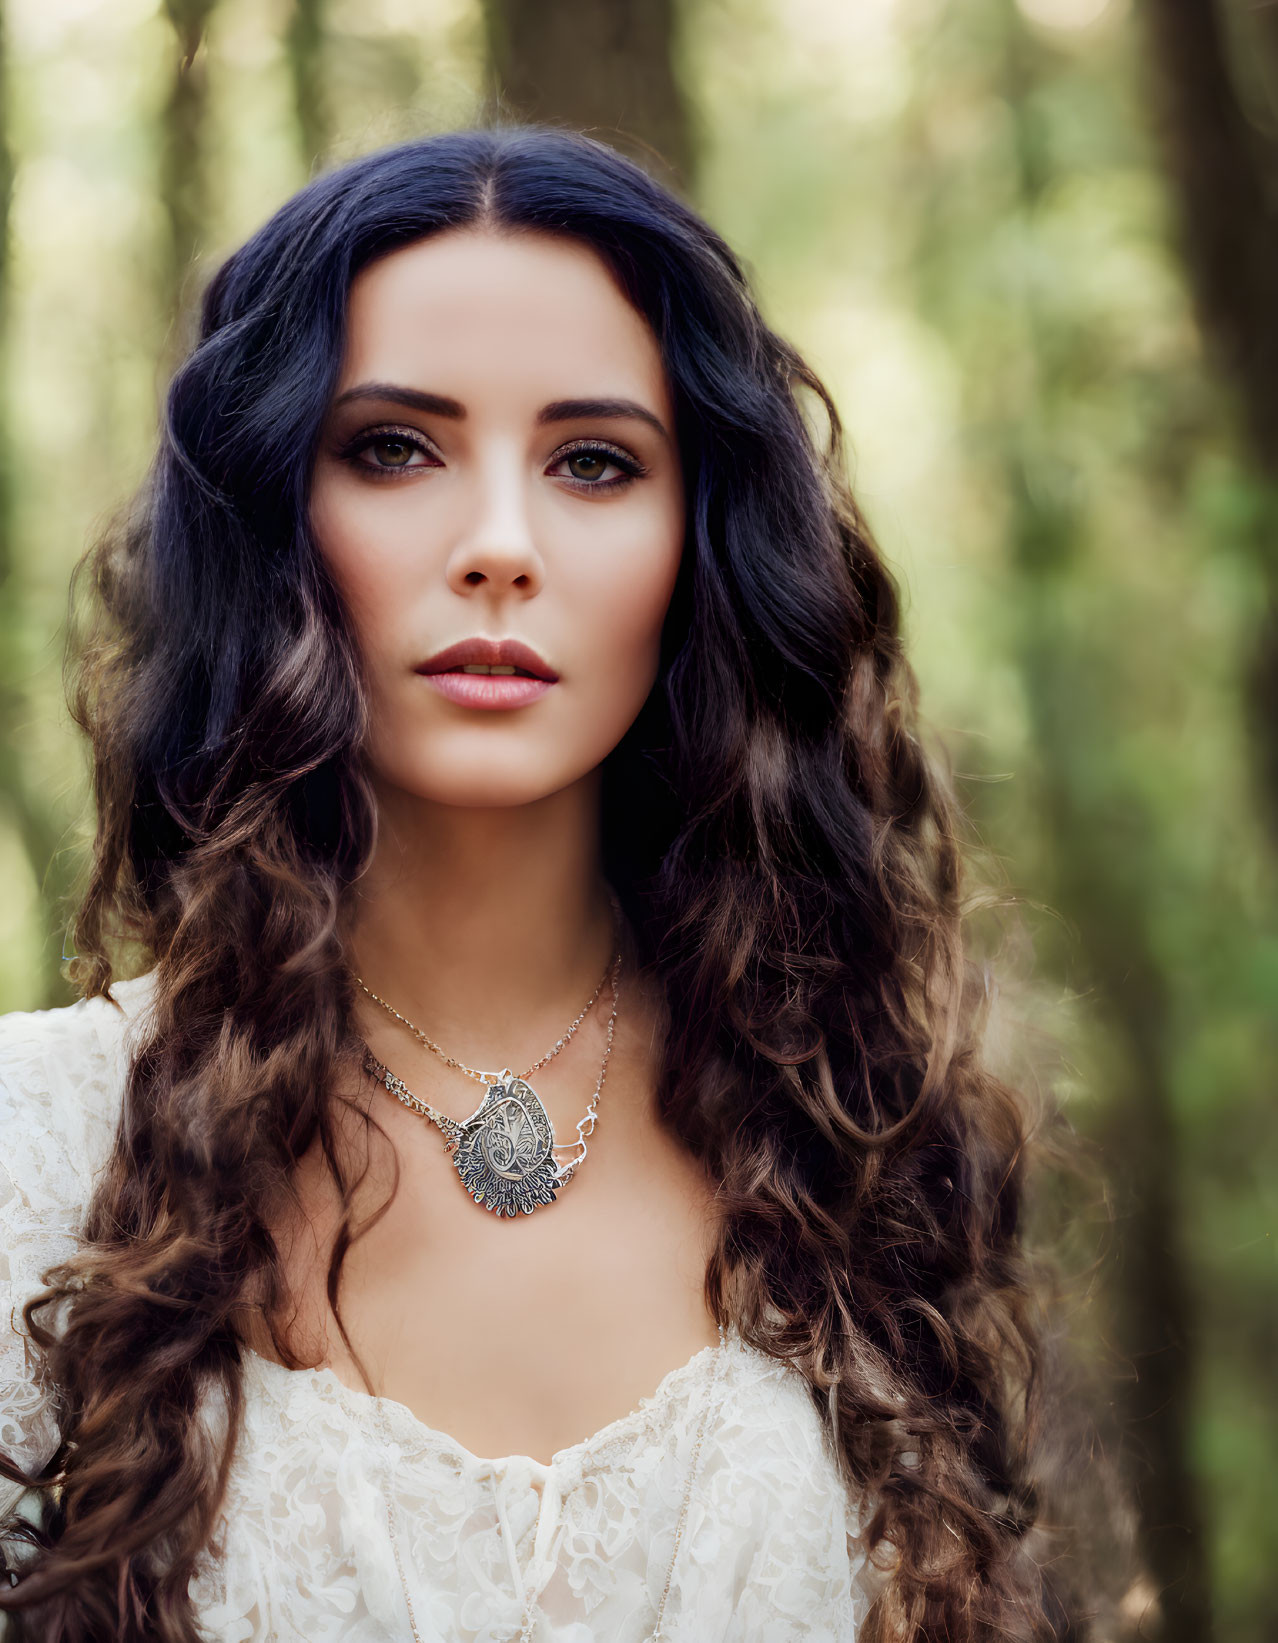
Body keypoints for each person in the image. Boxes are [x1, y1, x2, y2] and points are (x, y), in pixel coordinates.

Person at [0, 125, 1073, 1641]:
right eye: (392, 448)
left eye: (592, 463)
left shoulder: (850, 1133)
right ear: (269, 527)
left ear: (695, 549)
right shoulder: (32, 1157)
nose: (498, 546)